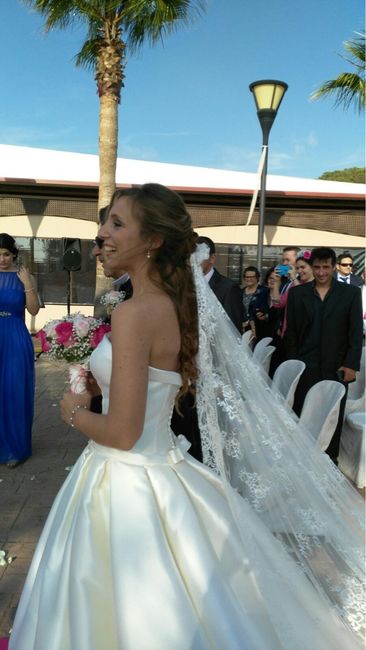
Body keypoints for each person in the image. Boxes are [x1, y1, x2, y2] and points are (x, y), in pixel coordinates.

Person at [9, 188, 364, 649]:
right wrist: (107, 383)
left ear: (153, 239)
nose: (102, 234)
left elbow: (122, 432)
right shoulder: (175, 306)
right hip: (165, 470)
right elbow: (156, 384)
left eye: (117, 224)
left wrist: (73, 411)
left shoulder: (134, 313)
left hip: (125, 480)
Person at [285, 246, 363, 463]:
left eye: (326, 267)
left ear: (334, 266)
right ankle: (304, 459)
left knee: (332, 415)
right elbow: (290, 332)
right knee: (304, 411)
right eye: (317, 267)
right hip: (305, 364)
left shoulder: (351, 293)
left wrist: (351, 365)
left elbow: (355, 332)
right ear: (312, 267)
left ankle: (330, 460)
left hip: (336, 365)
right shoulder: (297, 293)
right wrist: (293, 365)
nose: (321, 272)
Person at [0, 233, 40, 468]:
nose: (2, 259)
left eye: (6, 254)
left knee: (15, 390)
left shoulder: (25, 276)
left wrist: (27, 284)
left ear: (14, 254)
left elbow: (34, 310)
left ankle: (16, 448)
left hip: (15, 337)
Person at [196, 235, 243, 333]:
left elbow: (233, 330)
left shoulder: (228, 288)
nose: (195, 260)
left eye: (199, 255)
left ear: (212, 258)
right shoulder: (183, 286)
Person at [241, 266, 270, 341]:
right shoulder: (241, 292)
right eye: (246, 277)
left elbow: (269, 308)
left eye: (252, 277)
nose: (248, 279)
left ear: (257, 278)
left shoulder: (265, 291)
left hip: (259, 327)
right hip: (244, 327)